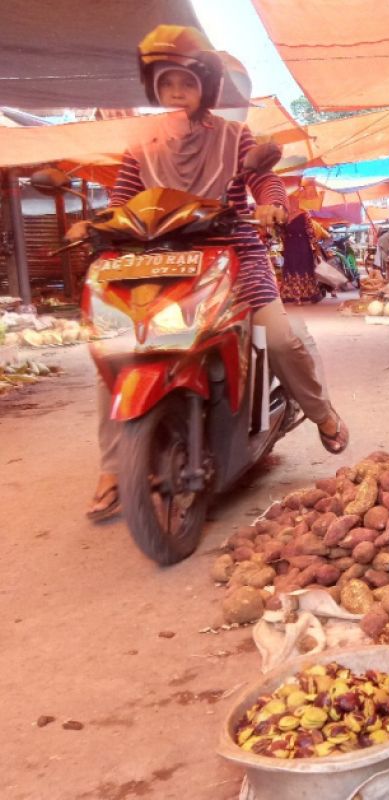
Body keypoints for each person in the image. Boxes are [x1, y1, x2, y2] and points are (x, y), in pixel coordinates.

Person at [82, 25, 348, 520]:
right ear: (154, 89)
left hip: (235, 258)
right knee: (115, 349)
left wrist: (269, 204)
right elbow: (120, 199)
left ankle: (322, 414)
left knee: (282, 339)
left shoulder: (234, 136)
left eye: (185, 82)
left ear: (205, 86)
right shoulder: (142, 144)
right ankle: (114, 467)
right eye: (166, 84)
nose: (176, 93)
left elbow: (265, 181)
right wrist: (94, 221)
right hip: (156, 263)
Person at [280, 189, 322, 304]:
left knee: (298, 268)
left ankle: (299, 296)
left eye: (293, 201)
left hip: (296, 245)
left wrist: (315, 246)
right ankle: (299, 295)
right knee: (297, 268)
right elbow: (309, 231)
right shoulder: (292, 216)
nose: (292, 204)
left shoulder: (295, 215)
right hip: (296, 245)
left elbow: (310, 231)